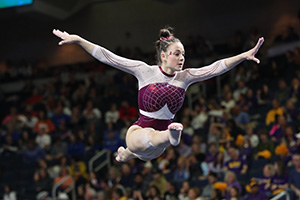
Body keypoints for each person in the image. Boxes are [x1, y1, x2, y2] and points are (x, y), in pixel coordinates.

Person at [53, 27, 264, 162]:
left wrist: (243, 56)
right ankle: (137, 150)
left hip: (158, 148)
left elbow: (217, 67)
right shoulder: (144, 70)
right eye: (177, 53)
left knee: (144, 147)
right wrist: (79, 40)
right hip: (140, 131)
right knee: (139, 143)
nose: (182, 58)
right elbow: (109, 57)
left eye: (183, 54)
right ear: (163, 55)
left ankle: (133, 151)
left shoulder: (186, 77)